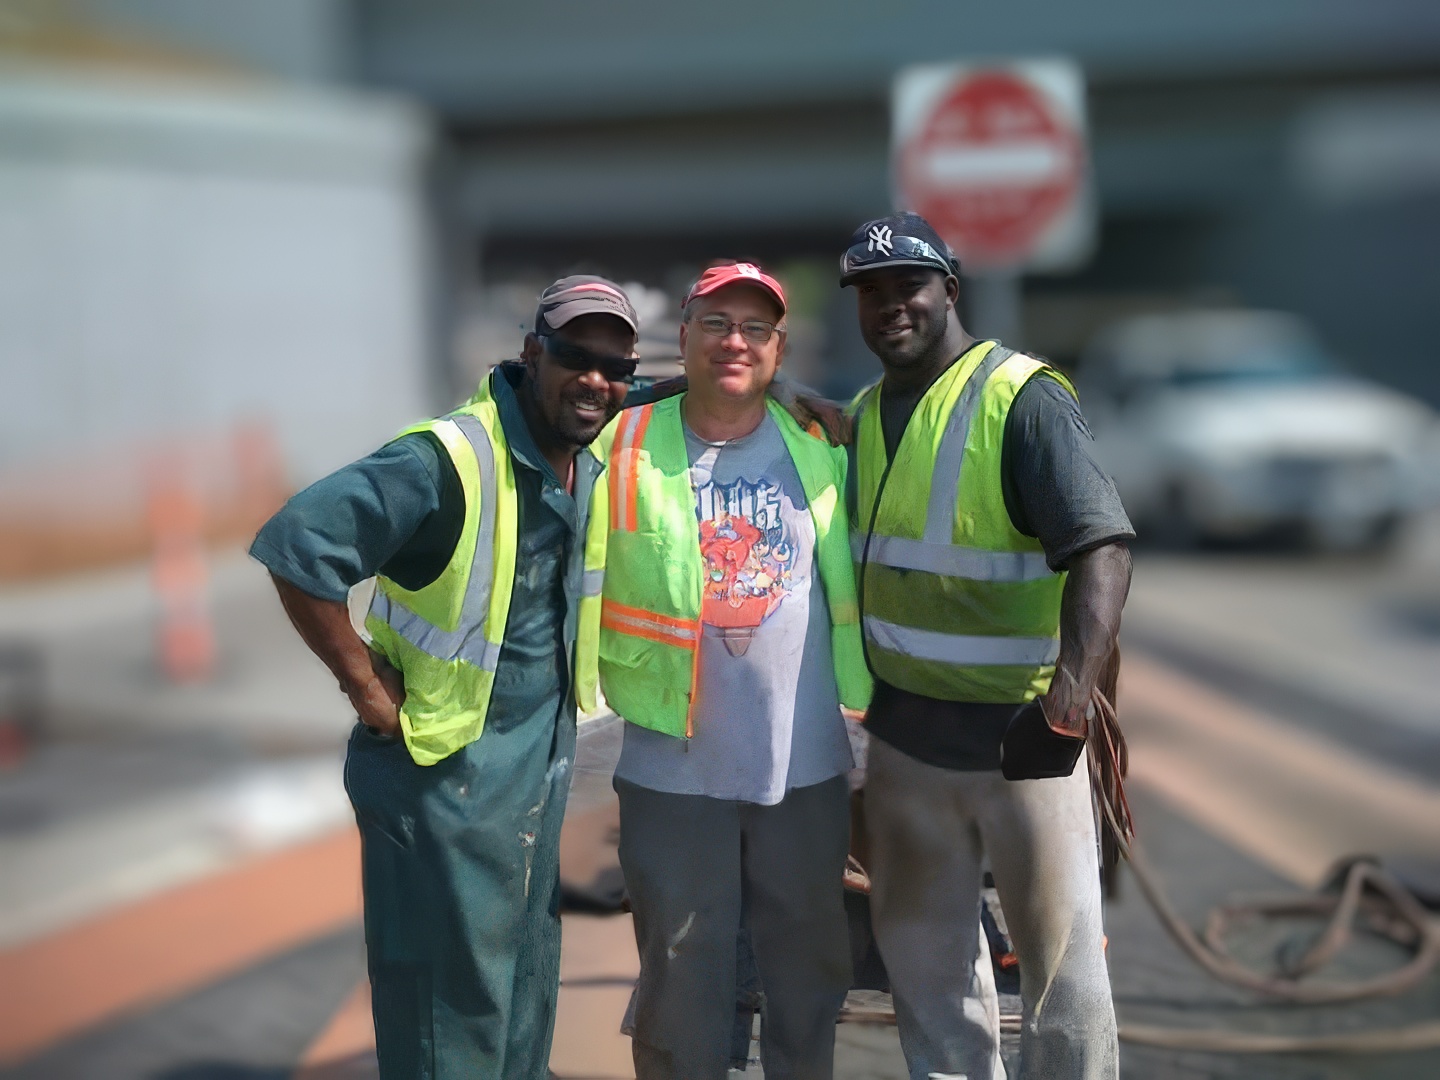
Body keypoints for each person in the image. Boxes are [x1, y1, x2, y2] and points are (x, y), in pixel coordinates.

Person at [250, 276, 640, 1080]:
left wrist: (806, 399)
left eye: (616, 364)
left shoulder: (579, 455)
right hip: (438, 798)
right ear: (532, 354)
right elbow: (298, 544)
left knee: (519, 1003)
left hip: (523, 795)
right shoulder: (446, 461)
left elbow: (696, 388)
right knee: (448, 1027)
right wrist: (362, 684)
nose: (596, 379)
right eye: (574, 354)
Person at [838, 213, 1134, 1080]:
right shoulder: (862, 415)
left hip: (1020, 746)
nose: (891, 307)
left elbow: (1103, 547)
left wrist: (1069, 707)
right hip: (907, 745)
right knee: (931, 980)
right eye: (872, 293)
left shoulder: (1021, 397)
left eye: (909, 288)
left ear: (950, 292)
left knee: (1061, 981)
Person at [600, 262, 873, 1079]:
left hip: (807, 769)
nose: (735, 341)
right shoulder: (622, 442)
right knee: (682, 983)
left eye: (756, 329)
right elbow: (520, 400)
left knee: (806, 982)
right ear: (682, 337)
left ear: (779, 348)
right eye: (717, 323)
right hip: (671, 771)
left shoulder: (822, 440)